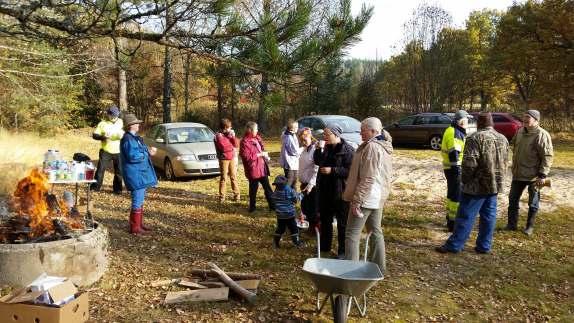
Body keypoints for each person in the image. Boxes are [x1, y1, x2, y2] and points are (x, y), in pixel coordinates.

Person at [436, 113, 509, 254]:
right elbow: (505, 161)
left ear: (478, 123)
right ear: (492, 123)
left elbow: (469, 164)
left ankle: (454, 245)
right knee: (489, 216)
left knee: (465, 215)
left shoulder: (474, 138)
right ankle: (484, 246)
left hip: (476, 185)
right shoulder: (503, 138)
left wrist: (465, 181)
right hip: (495, 184)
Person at [343, 117, 393, 272]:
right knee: (375, 231)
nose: (360, 133)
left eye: (363, 130)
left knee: (352, 234)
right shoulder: (382, 145)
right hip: (377, 197)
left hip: (367, 198)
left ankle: (350, 272)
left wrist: (357, 200)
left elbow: (368, 177)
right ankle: (379, 267)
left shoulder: (372, 147)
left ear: (373, 131)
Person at [506, 109, 553, 235]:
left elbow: (547, 156)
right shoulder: (520, 131)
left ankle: (529, 227)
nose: (525, 119)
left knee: (533, 203)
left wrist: (542, 175)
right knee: (512, 199)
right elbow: (513, 144)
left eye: (528, 117)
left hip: (534, 176)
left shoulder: (542, 134)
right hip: (518, 173)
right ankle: (511, 225)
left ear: (536, 120)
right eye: (524, 117)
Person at [313, 124, 355, 258]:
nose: (324, 137)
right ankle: (325, 246)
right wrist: (317, 150)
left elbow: (350, 171)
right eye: (324, 134)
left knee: (342, 223)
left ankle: (342, 251)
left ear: (336, 135)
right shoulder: (326, 148)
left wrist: (333, 170)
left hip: (340, 192)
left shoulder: (348, 150)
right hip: (325, 191)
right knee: (325, 220)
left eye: (327, 134)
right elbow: (318, 161)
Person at [120, 113, 158, 235]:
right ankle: (135, 228)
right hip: (135, 174)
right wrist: (147, 154)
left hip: (140, 174)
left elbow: (140, 151)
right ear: (131, 125)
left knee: (140, 200)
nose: (138, 125)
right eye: (136, 123)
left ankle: (138, 224)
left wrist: (149, 151)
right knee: (137, 200)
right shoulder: (128, 139)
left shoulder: (135, 137)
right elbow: (133, 156)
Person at [441, 110, 469, 232]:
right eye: (466, 120)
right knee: (456, 196)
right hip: (455, 169)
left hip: (450, 169)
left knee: (452, 194)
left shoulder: (451, 129)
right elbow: (454, 154)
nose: (468, 122)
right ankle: (453, 223)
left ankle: (450, 219)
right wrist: (458, 172)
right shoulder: (456, 133)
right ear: (461, 121)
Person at [240, 121, 275, 213]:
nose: (257, 130)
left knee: (268, 188)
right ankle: (252, 208)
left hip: (262, 167)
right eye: (256, 129)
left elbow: (262, 149)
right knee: (253, 190)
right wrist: (259, 154)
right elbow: (246, 157)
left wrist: (265, 155)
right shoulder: (244, 142)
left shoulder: (257, 138)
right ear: (250, 130)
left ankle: (273, 206)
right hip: (253, 169)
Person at [91, 105, 124, 194]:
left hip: (119, 151)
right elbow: (95, 135)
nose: (114, 117)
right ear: (108, 114)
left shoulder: (121, 122)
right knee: (100, 170)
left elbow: (127, 133)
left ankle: (117, 190)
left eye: (115, 115)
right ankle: (95, 188)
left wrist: (123, 135)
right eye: (112, 115)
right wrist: (103, 137)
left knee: (119, 171)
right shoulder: (102, 123)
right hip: (106, 150)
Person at [271, 175, 304, 248]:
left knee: (280, 228)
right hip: (289, 214)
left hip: (280, 215)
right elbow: (295, 199)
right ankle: (296, 242)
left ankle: (275, 243)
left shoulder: (276, 191)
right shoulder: (288, 189)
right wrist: (301, 195)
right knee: (293, 228)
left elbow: (273, 199)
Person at [214, 118, 240, 203]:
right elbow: (224, 148)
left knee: (233, 176)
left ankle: (237, 195)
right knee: (224, 178)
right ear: (224, 127)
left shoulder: (229, 134)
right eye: (229, 127)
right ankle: (222, 197)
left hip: (231, 157)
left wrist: (232, 136)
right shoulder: (218, 135)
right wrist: (231, 144)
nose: (230, 128)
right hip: (223, 159)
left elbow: (236, 144)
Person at [298, 128, 319, 230]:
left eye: (305, 139)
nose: (303, 142)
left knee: (313, 208)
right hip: (304, 183)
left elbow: (317, 169)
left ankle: (314, 229)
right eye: (301, 140)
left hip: (312, 186)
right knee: (304, 206)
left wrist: (311, 184)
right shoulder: (304, 150)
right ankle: (308, 226)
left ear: (310, 137)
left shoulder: (315, 150)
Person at [279, 120, 301, 188]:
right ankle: (286, 195)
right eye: (296, 127)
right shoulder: (288, 137)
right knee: (290, 180)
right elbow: (294, 151)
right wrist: (303, 148)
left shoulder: (292, 134)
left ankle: (293, 196)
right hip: (289, 162)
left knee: (294, 180)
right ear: (292, 128)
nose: (298, 128)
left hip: (293, 162)